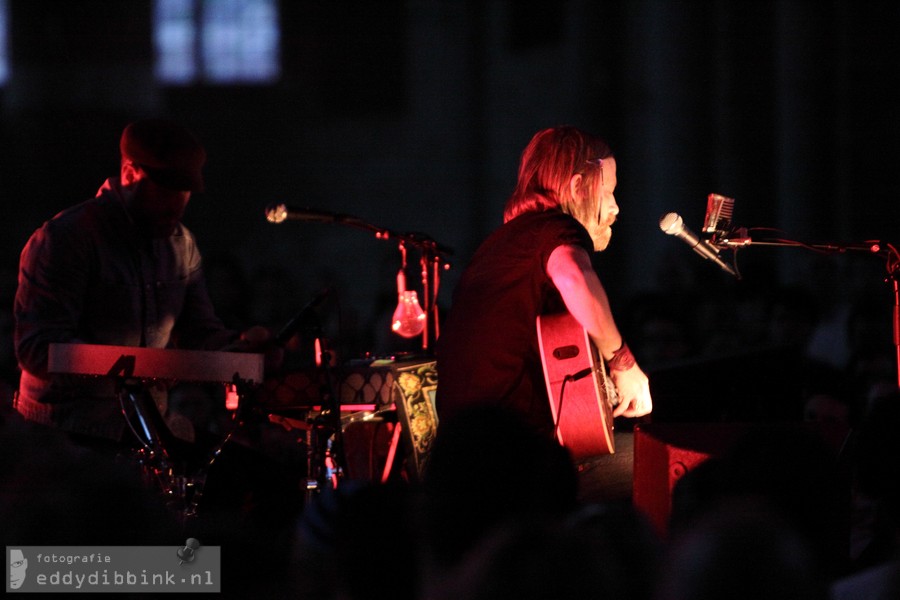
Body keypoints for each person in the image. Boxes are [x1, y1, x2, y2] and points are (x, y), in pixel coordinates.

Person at [12, 118, 272, 449]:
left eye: (185, 191)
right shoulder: (65, 240)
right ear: (131, 174)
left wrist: (243, 352)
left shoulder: (181, 244)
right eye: (166, 190)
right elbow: (37, 350)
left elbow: (199, 332)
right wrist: (137, 369)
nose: (177, 203)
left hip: (140, 434)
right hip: (61, 438)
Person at [436, 126, 653, 440]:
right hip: (511, 445)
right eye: (609, 192)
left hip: (468, 444)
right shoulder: (554, 228)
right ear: (579, 186)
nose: (615, 207)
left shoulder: (505, 244)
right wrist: (623, 363)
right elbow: (574, 276)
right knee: (650, 465)